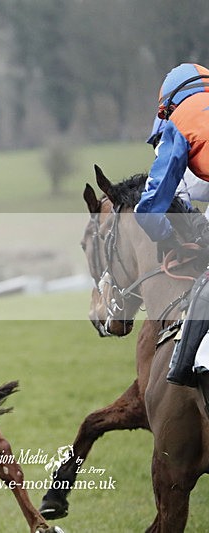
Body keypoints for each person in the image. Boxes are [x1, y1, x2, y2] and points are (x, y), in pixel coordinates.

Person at [134, 63, 209, 388]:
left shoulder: (180, 120)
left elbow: (149, 210)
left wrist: (168, 238)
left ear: (170, 105)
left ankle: (188, 367)